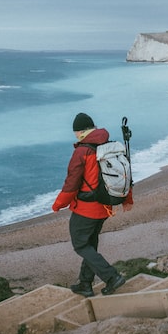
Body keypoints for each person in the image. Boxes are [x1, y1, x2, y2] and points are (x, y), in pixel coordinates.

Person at [52, 112, 133, 297]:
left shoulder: (82, 151)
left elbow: (72, 182)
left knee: (80, 245)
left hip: (86, 208)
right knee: (90, 243)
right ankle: (85, 284)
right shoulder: (110, 145)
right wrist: (127, 199)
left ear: (80, 132)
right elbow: (125, 173)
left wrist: (58, 205)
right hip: (106, 205)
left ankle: (112, 277)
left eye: (75, 132)